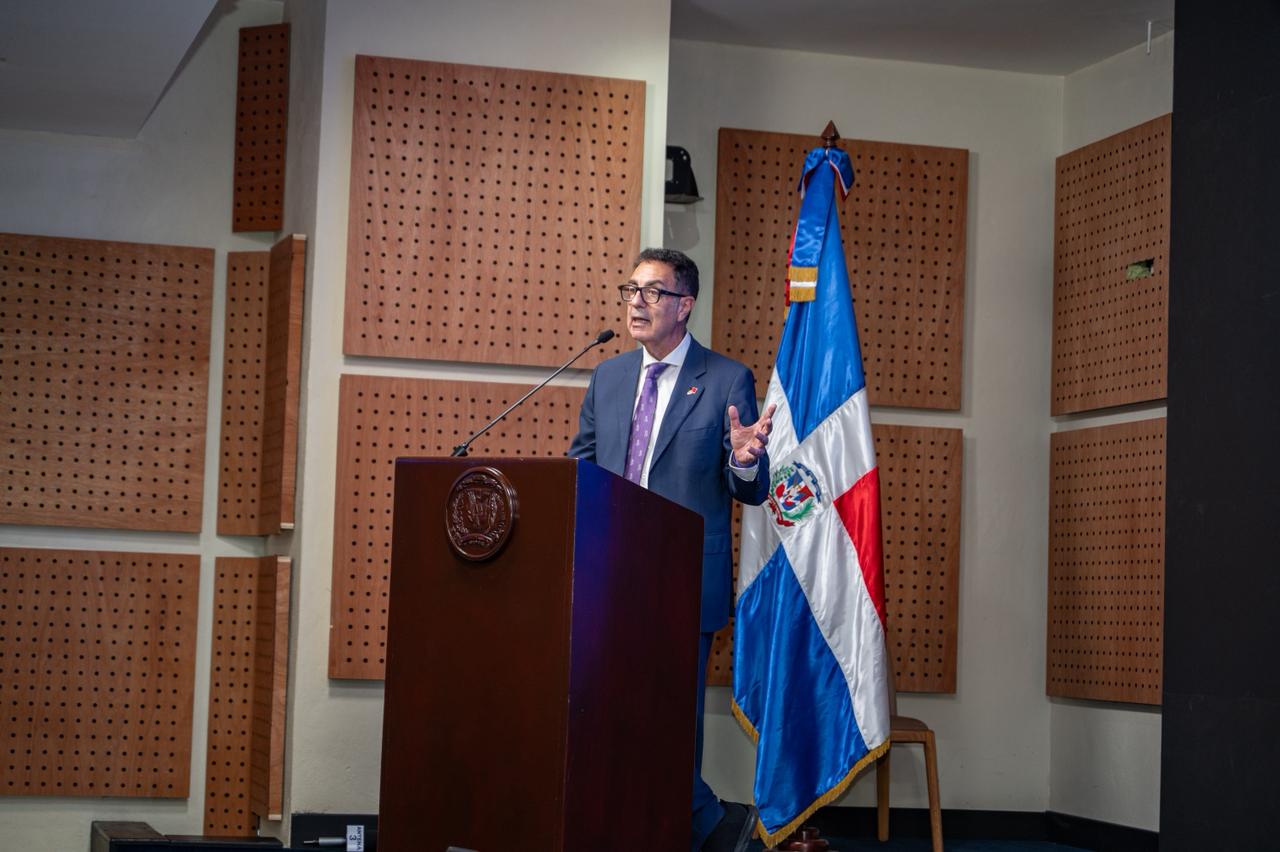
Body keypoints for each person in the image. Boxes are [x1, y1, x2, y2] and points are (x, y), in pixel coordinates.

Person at [568, 247, 775, 852]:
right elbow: (582, 467)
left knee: (670, 721)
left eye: (652, 292)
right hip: (607, 578)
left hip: (681, 580)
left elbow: (751, 487)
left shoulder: (726, 378)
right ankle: (695, 824)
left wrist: (742, 460)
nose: (636, 301)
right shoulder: (606, 377)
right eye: (631, 289)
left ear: (684, 305)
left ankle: (698, 827)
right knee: (609, 715)